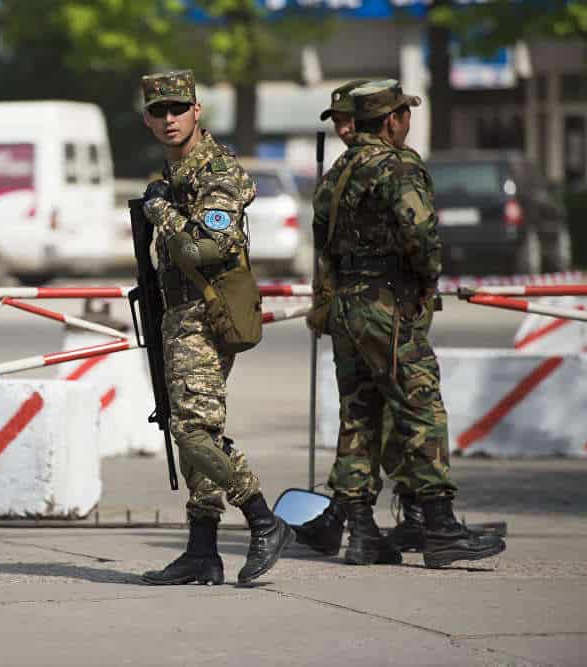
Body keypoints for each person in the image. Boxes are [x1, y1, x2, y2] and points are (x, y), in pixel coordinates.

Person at [305, 79, 506, 568]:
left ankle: (362, 534)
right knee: (421, 408)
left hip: (347, 306)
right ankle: (439, 527)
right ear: (393, 119)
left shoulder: (339, 170)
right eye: (405, 115)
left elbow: (322, 241)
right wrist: (426, 278)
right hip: (388, 302)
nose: (407, 122)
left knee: (359, 414)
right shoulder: (399, 165)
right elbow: (421, 232)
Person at [136, 69, 293, 586]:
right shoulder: (174, 170)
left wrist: (161, 211)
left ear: (197, 111)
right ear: (147, 118)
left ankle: (264, 519)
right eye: (158, 111)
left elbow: (205, 247)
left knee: (192, 430)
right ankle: (202, 551)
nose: (169, 119)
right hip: (178, 313)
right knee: (192, 427)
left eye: (178, 108)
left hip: (208, 312)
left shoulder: (216, 171)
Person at [297, 79, 427, 558]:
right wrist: (323, 303)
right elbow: (326, 252)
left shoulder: (364, 169)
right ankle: (386, 515)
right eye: (339, 123)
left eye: (352, 119)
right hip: (374, 306)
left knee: (381, 413)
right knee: (382, 412)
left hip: (383, 303)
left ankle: (378, 514)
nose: (346, 130)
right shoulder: (354, 171)